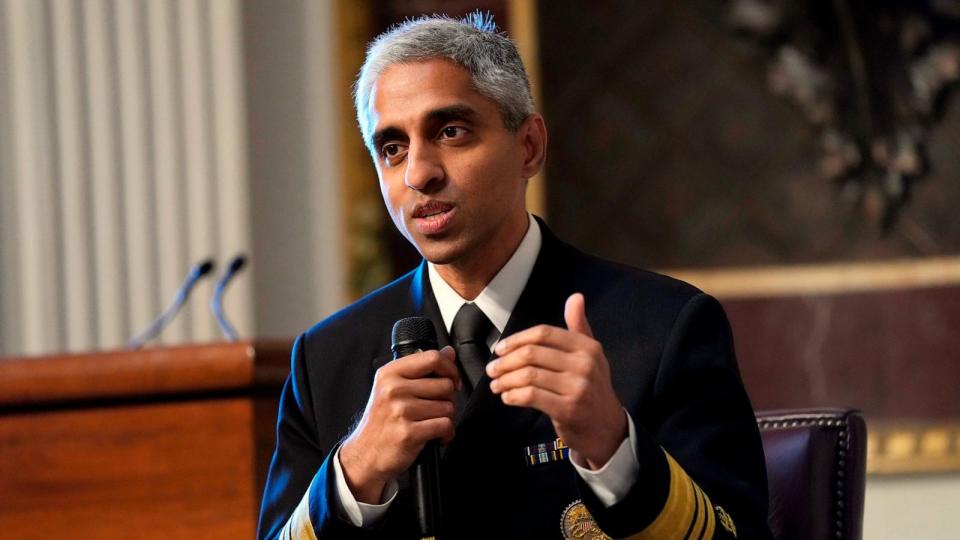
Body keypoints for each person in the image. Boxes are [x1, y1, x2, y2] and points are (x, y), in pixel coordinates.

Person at [257, 12, 771, 540]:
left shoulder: (665, 327)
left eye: (451, 131)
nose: (419, 173)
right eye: (393, 148)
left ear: (529, 147)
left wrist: (613, 446)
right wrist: (354, 474)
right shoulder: (325, 360)